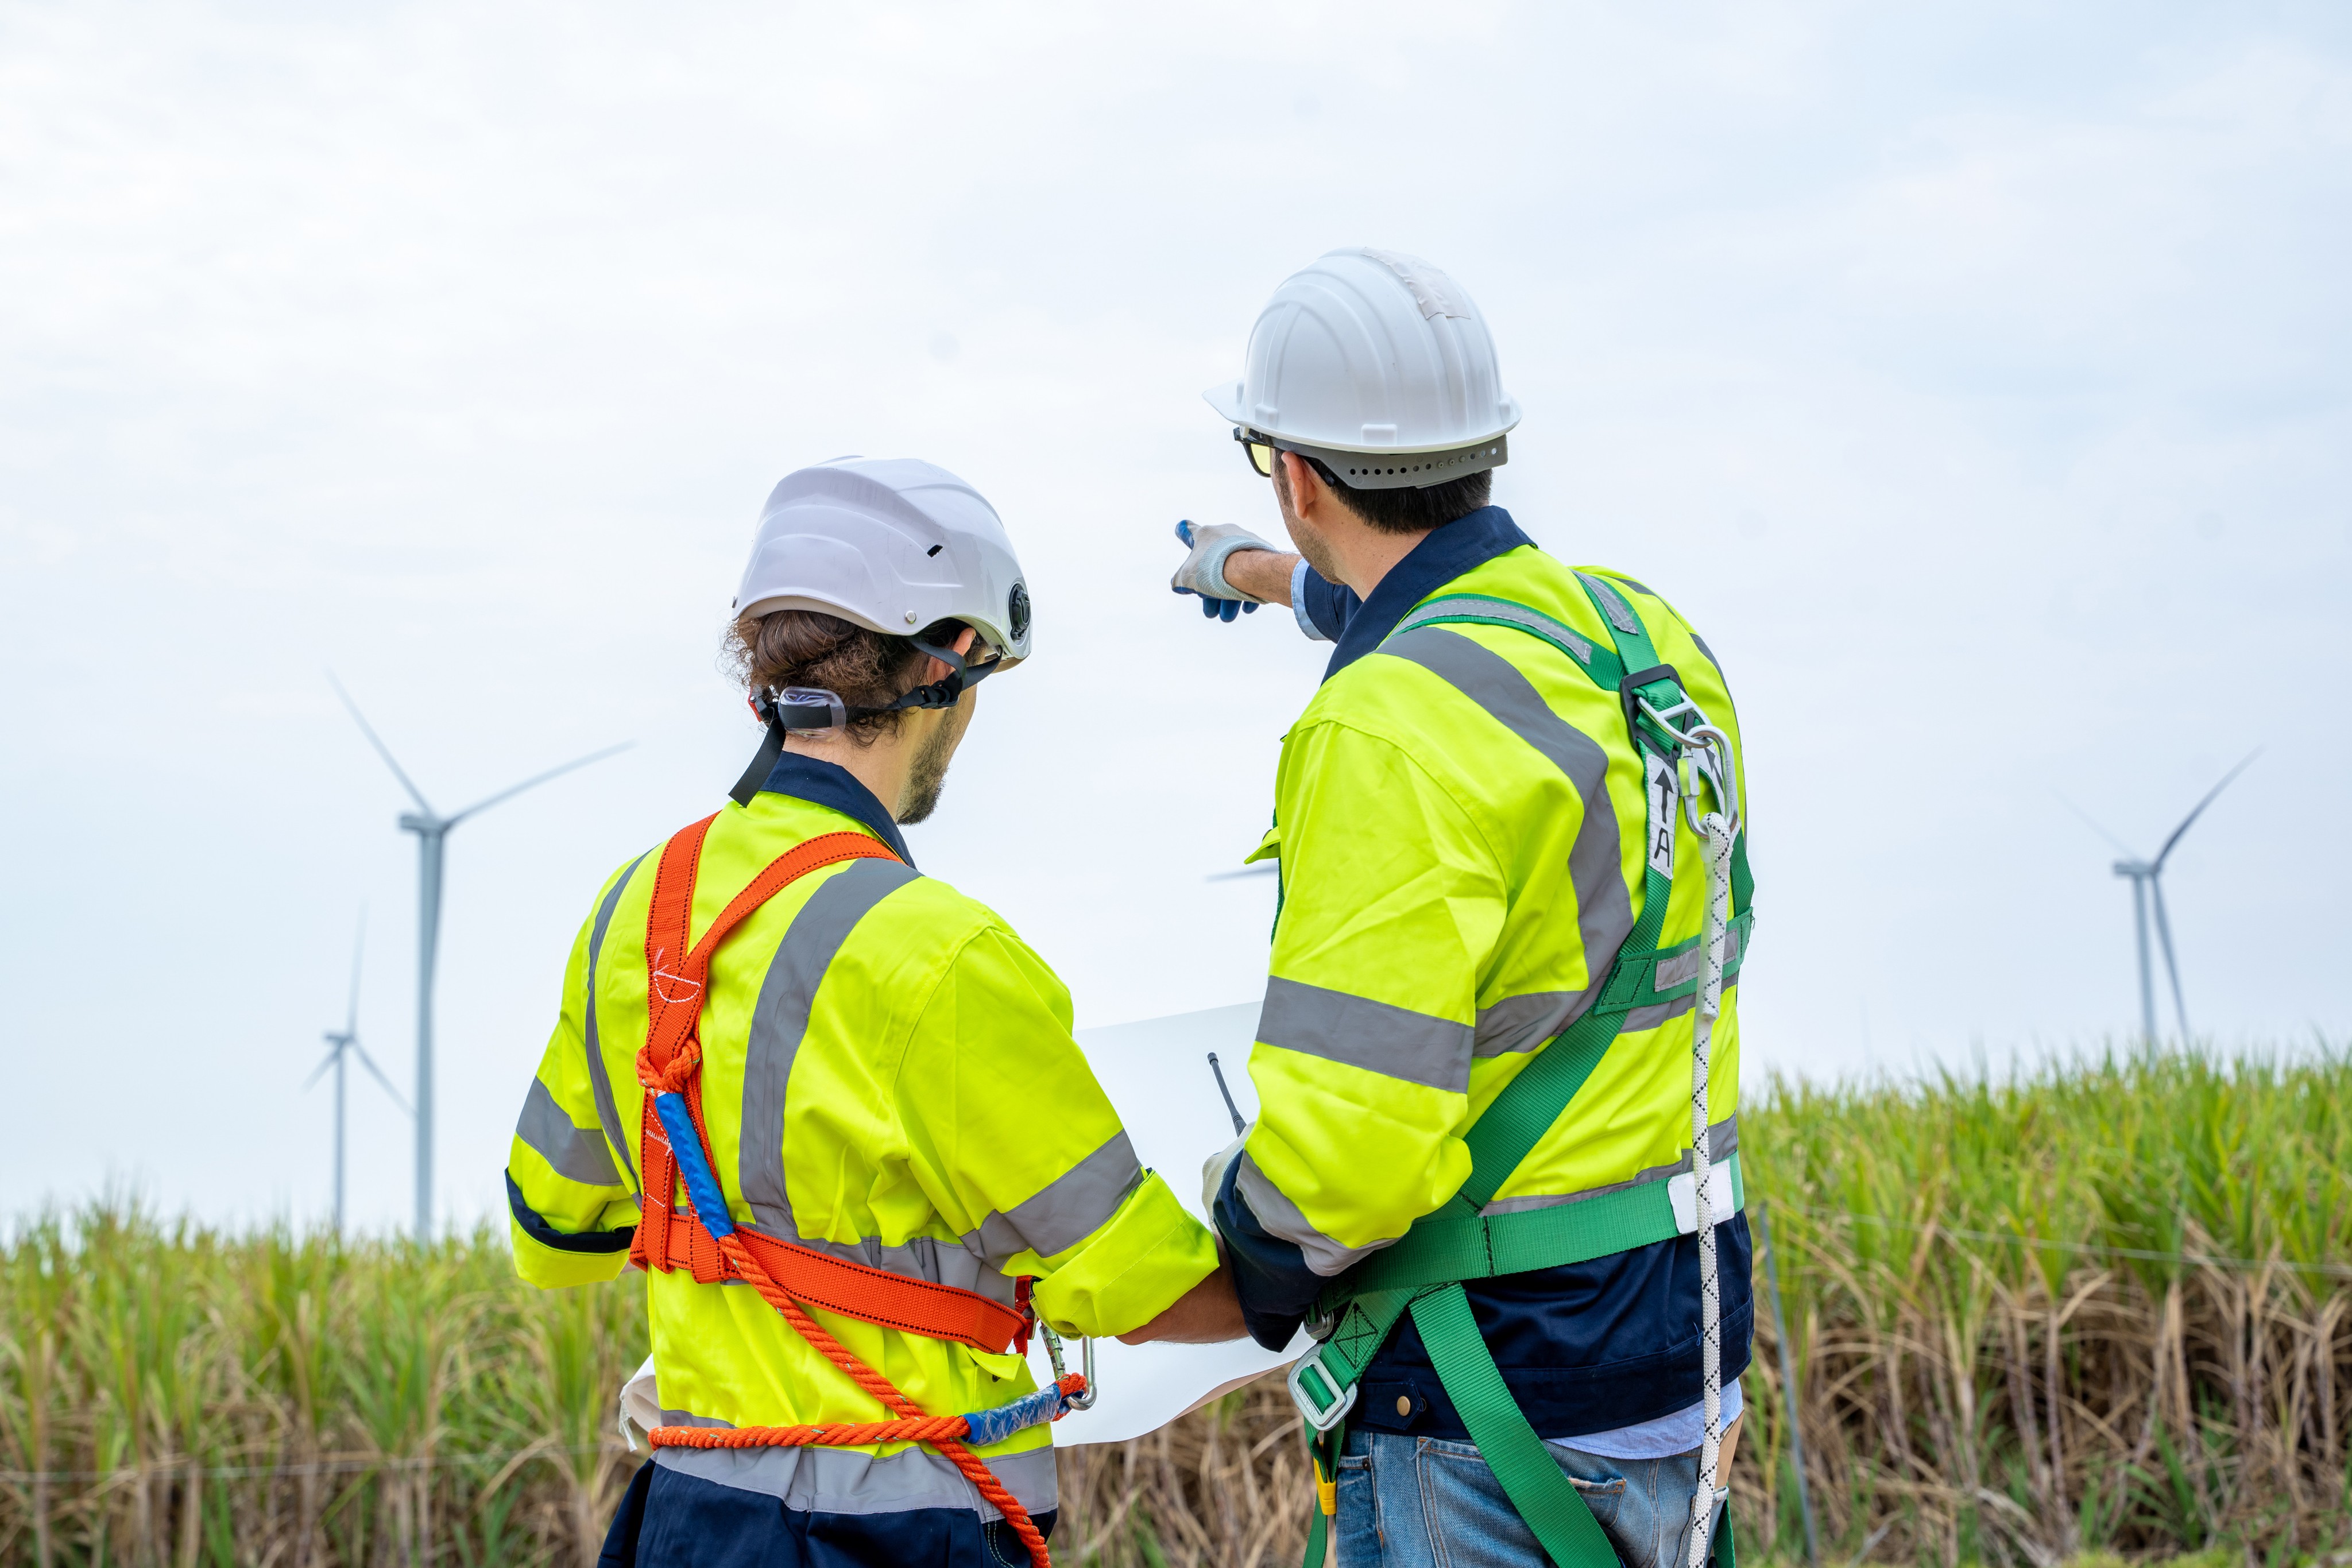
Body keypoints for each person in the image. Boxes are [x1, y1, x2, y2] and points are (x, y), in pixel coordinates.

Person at [506, 456, 1240, 1568]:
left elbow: (557, 1234)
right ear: (948, 666)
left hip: (686, 1519)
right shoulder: (939, 954)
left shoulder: (635, 911)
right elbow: (1140, 1285)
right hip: (898, 1528)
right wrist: (1314, 1261)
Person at [1171, 250, 1757, 1568]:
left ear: (1299, 473)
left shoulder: (1379, 728)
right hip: (1681, 1343)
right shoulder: (1639, 637)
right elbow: (1418, 602)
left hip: (1488, 1385)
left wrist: (1243, 1253)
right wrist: (1256, 573)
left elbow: (1351, 1153)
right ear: (1482, 453)